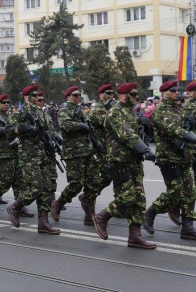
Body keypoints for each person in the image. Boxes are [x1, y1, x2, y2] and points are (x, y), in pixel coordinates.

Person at [93, 82, 157, 249]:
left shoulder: (131, 112)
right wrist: (145, 150)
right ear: (123, 96)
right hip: (120, 161)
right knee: (127, 197)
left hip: (134, 160)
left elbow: (139, 133)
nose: (136, 97)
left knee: (140, 199)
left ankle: (134, 236)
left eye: (136, 94)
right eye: (133, 94)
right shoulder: (115, 113)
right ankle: (102, 217)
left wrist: (146, 124)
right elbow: (126, 135)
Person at [144, 80, 196, 240]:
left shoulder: (179, 109)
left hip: (184, 156)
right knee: (174, 194)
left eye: (176, 90)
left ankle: (187, 227)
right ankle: (151, 212)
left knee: (190, 192)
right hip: (169, 158)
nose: (176, 93)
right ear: (164, 93)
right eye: (172, 91)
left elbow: (184, 125)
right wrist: (189, 135)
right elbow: (172, 128)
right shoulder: (160, 110)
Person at [6, 85, 60, 235]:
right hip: (28, 156)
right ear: (26, 97)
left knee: (47, 189)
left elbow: (48, 130)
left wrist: (53, 141)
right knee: (35, 188)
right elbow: (9, 130)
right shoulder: (20, 113)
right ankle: (15, 207)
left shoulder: (40, 112)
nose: (36, 98)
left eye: (37, 95)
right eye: (33, 95)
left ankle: (43, 222)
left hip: (42, 155)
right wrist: (27, 128)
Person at [51, 86, 98, 223]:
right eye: (75, 95)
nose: (78, 97)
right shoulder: (64, 110)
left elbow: (89, 128)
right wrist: (81, 125)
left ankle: (90, 214)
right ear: (68, 97)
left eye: (79, 95)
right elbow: (65, 125)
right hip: (74, 153)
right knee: (76, 184)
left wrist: (96, 143)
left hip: (87, 152)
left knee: (93, 183)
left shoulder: (81, 110)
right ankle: (58, 203)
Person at [0, 94, 31, 217]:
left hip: (15, 151)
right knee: (6, 181)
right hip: (4, 153)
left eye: (8, 102)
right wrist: (5, 130)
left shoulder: (11, 116)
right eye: (4, 102)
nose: (6, 104)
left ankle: (19, 206)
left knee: (19, 181)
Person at [81, 84, 116, 225]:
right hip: (98, 149)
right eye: (108, 93)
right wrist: (110, 112)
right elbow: (100, 121)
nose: (111, 95)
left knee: (108, 177)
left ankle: (87, 197)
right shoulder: (97, 107)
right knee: (95, 179)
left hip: (109, 148)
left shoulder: (112, 107)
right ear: (101, 95)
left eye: (112, 93)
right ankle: (89, 207)